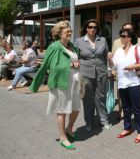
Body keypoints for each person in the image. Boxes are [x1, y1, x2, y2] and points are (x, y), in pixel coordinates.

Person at [29, 21, 81, 150]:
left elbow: (76, 58)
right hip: (61, 82)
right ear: (59, 33)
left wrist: (77, 63)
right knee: (62, 110)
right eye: (67, 31)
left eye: (70, 31)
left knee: (76, 108)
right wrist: (71, 65)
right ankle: (63, 138)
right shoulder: (54, 47)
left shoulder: (72, 46)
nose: (70, 33)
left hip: (74, 81)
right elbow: (50, 66)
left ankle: (69, 129)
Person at [108, 29, 140, 143]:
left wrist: (133, 67)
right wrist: (110, 59)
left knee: (137, 108)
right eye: (121, 36)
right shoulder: (118, 51)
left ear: (130, 38)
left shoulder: (137, 49)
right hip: (122, 83)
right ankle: (127, 128)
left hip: (135, 82)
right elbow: (114, 66)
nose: (121, 38)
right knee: (125, 108)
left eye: (124, 36)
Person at [75, 19, 110, 132]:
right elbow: (75, 57)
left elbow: (106, 55)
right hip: (86, 74)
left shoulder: (103, 40)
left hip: (101, 72)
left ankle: (103, 120)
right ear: (86, 28)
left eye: (95, 27)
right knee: (88, 99)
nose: (92, 29)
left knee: (101, 97)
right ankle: (89, 122)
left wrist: (108, 70)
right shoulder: (79, 41)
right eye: (90, 27)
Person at [111, 22, 140, 119]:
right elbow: (114, 60)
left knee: (136, 98)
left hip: (135, 77)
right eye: (124, 30)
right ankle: (123, 112)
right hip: (121, 75)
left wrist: (135, 66)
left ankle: (139, 114)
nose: (124, 34)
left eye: (128, 30)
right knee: (121, 96)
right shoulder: (116, 42)